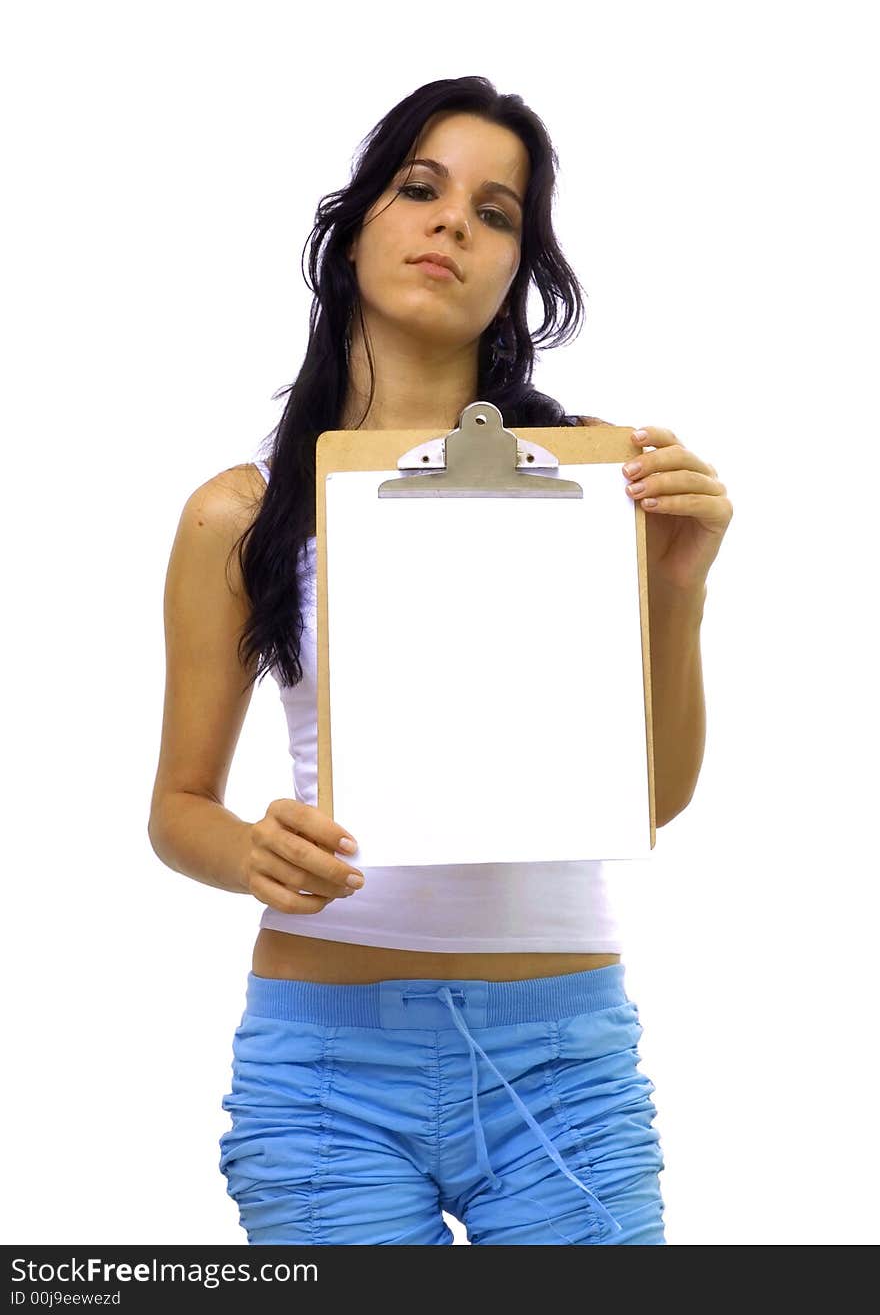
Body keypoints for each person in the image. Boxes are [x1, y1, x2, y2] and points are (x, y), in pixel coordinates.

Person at [149, 76, 731, 1245]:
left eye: (497, 211)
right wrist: (256, 849)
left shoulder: (587, 491)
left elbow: (651, 797)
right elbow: (175, 811)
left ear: (517, 270)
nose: (454, 221)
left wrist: (678, 587)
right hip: (324, 1067)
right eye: (421, 188)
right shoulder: (242, 513)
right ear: (353, 226)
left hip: (563, 1056)